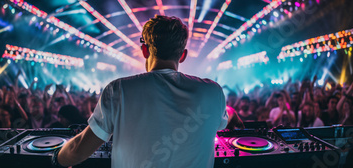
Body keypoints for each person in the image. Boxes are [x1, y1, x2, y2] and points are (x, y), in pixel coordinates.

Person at [54, 15, 228, 168]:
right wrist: (232, 115)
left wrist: (56, 158)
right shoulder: (213, 92)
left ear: (145, 50)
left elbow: (78, 151)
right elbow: (223, 122)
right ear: (182, 55)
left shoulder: (118, 90)